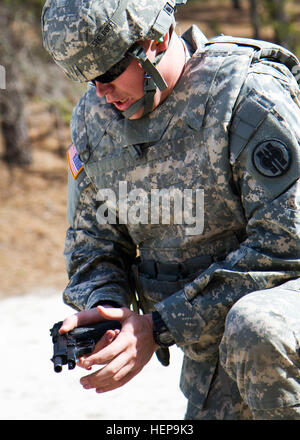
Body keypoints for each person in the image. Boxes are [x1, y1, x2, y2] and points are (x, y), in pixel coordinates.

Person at [42, 0, 300, 420]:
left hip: (279, 326)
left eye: (107, 72)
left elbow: (287, 245)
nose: (101, 93)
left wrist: (160, 326)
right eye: (87, 79)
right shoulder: (94, 122)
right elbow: (94, 244)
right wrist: (109, 311)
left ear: (156, 39)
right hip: (215, 352)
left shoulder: (246, 96)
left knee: (257, 329)